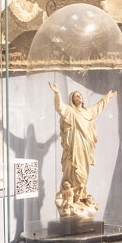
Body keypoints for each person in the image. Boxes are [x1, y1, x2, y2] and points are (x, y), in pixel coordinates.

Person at [50, 84, 113, 221]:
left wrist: (107, 97)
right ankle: (72, 199)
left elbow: (98, 107)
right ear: (72, 100)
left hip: (85, 147)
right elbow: (59, 107)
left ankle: (81, 197)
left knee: (84, 173)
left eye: (80, 95)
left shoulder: (87, 112)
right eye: (76, 96)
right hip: (74, 147)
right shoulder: (70, 111)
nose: (79, 97)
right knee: (76, 170)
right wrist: (57, 93)